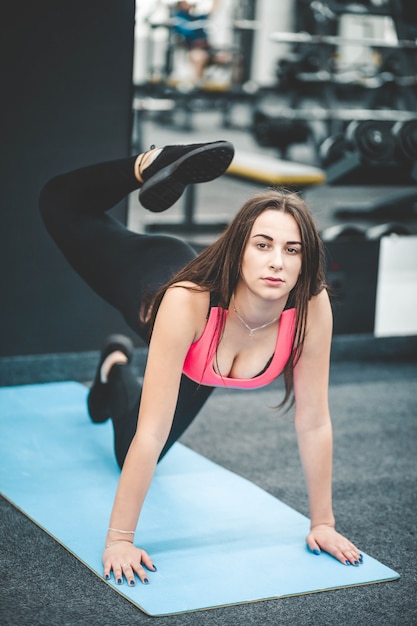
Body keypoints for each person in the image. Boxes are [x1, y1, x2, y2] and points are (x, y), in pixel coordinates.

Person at [39, 139, 363, 588]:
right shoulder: (185, 301)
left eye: (292, 250)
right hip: (157, 289)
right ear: (238, 250)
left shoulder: (311, 305)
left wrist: (322, 523)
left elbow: (313, 422)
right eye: (263, 244)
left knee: (123, 449)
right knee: (58, 203)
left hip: (203, 362)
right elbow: (154, 431)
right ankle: (150, 163)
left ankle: (114, 365)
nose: (276, 262)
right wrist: (119, 540)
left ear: (306, 259)